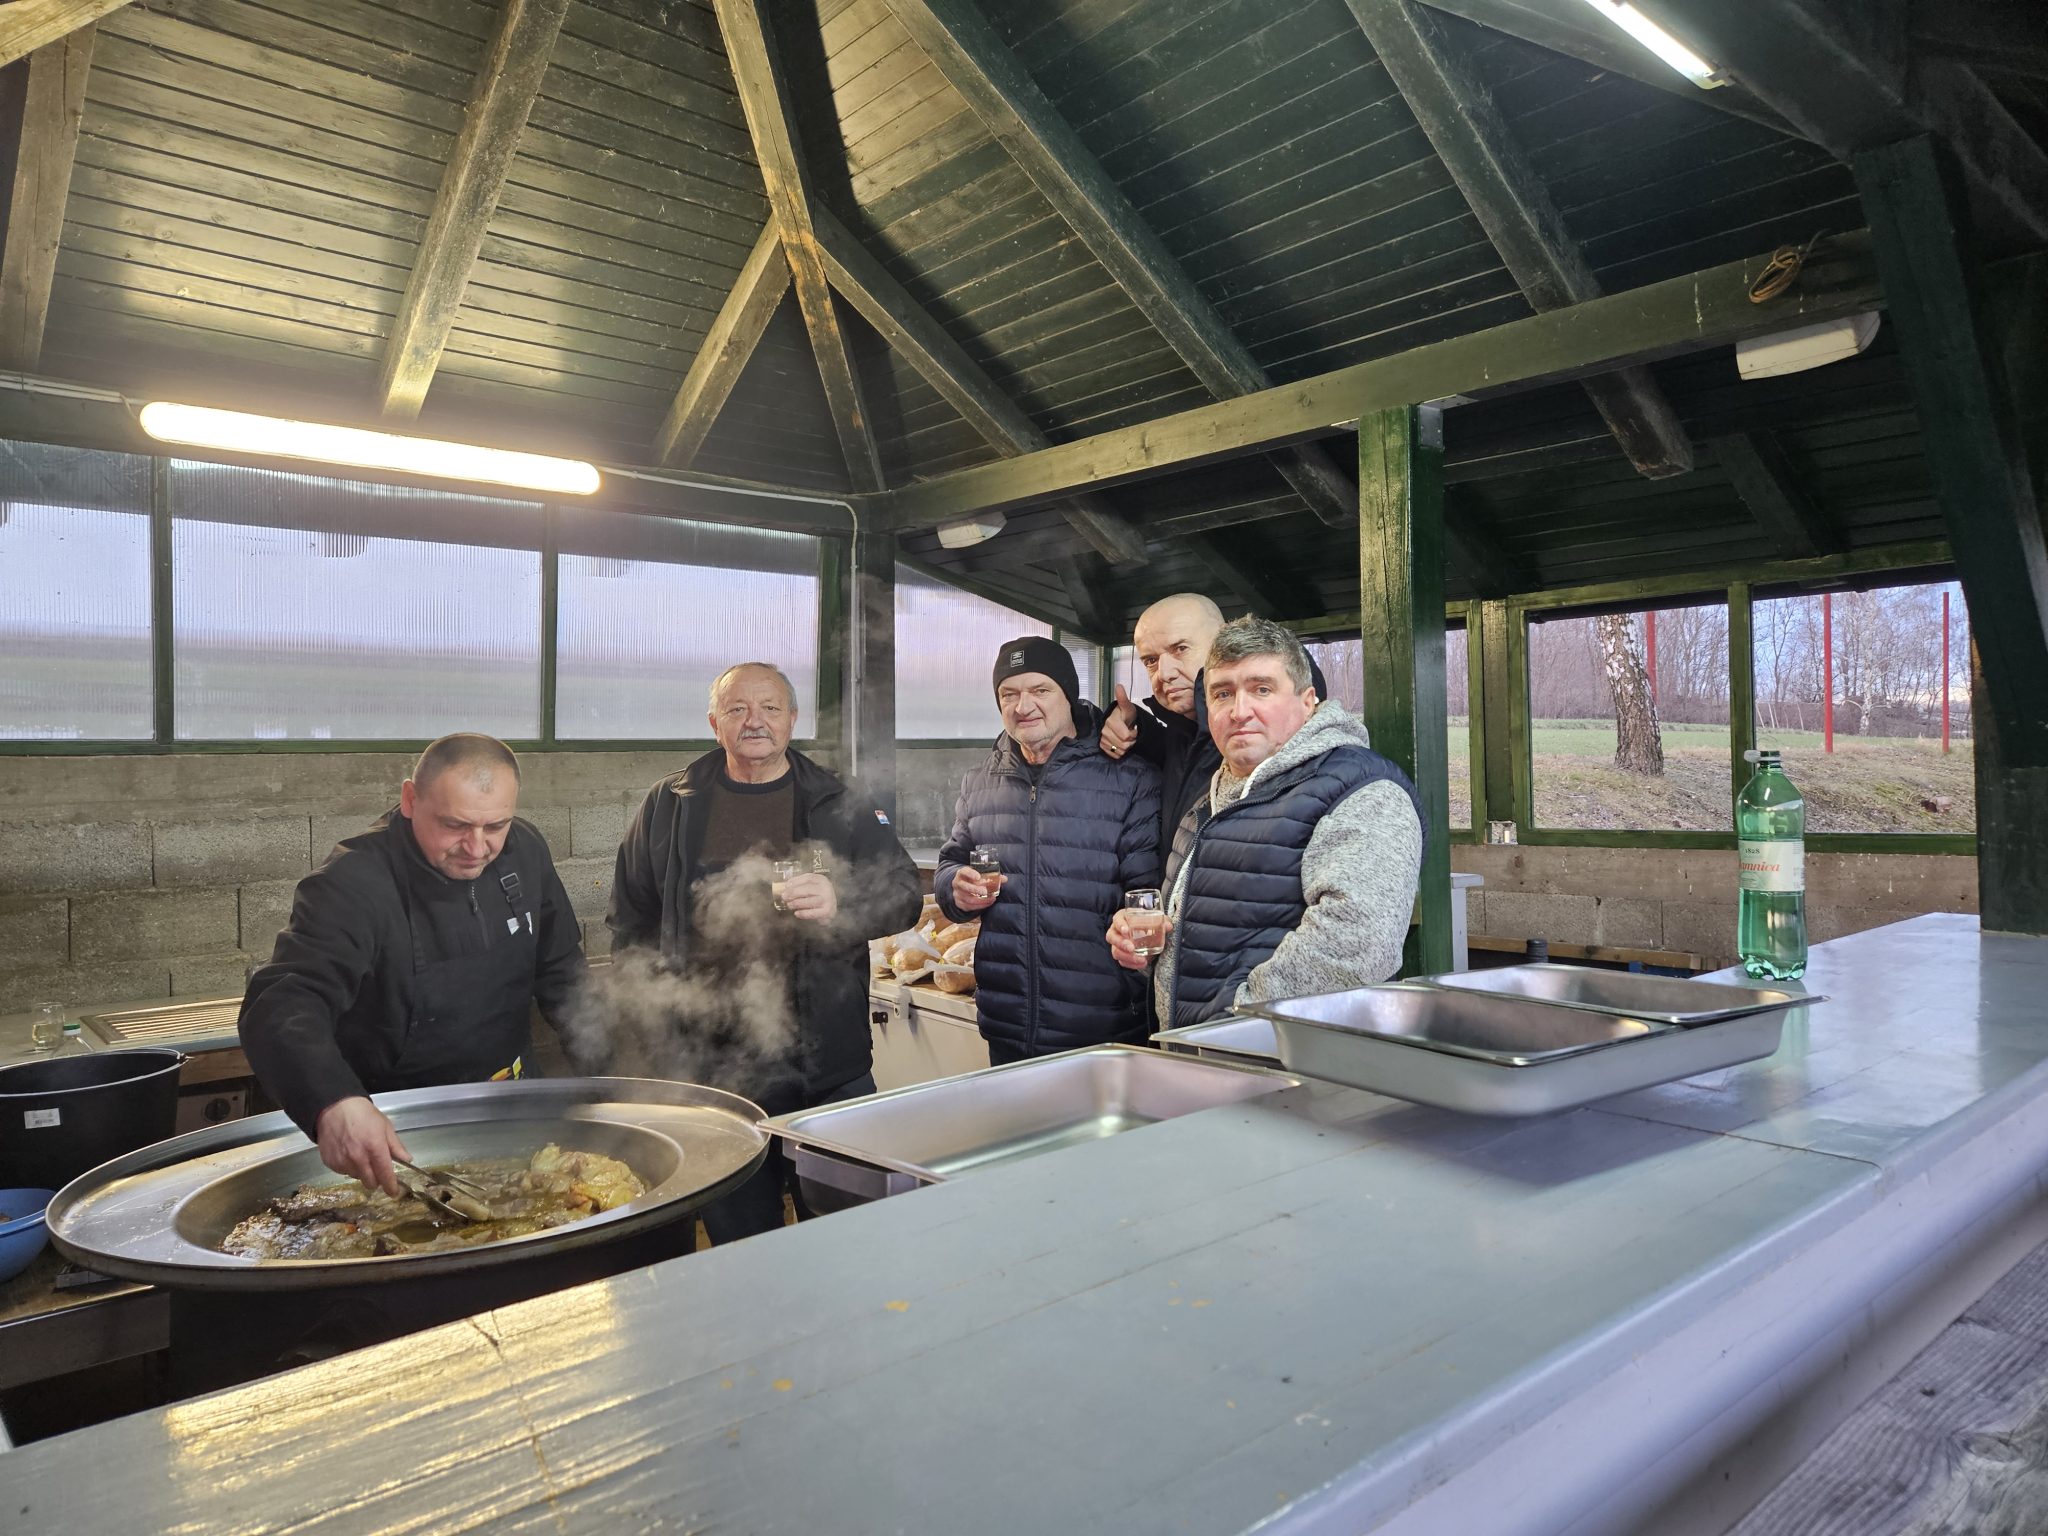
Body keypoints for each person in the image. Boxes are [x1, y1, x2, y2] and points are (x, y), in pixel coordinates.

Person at [607, 661, 920, 1243]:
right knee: (742, 1242)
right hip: (718, 1074)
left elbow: (904, 894)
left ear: (792, 719)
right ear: (714, 723)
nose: (755, 721)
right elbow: (631, 919)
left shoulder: (839, 799)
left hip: (828, 1068)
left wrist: (843, 901)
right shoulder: (670, 804)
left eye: (770, 708)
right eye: (737, 709)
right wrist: (654, 1024)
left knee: (846, 1236)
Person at [240, 733, 587, 1197]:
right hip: (400, 1134)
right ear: (410, 799)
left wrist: (616, 1078)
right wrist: (333, 1101)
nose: (476, 847)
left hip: (513, 1108)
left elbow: (563, 972)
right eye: (455, 825)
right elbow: (283, 1001)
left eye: (495, 826)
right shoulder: (354, 882)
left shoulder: (525, 849)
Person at [1107, 616, 1425, 1029]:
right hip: (1203, 1051)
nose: (1240, 711)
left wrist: (1238, 1018)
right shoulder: (1210, 801)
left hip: (1285, 1058)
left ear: (1308, 702)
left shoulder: (1363, 790)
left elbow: (1358, 944)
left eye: (1262, 689)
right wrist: (1149, 949)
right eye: (1223, 693)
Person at [936, 636, 1160, 1063]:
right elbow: (952, 862)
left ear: (1068, 695)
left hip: (1103, 1028)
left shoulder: (1129, 779)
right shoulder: (980, 780)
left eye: (1040, 690)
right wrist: (955, 888)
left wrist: (1136, 938)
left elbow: (1147, 893)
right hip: (1008, 1025)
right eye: (1009, 694)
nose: (1023, 706)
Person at [1098, 592, 1225, 853]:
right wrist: (1136, 724)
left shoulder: (1257, 736)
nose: (1164, 674)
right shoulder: (1181, 738)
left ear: (1224, 642)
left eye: (1181, 649)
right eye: (1151, 661)